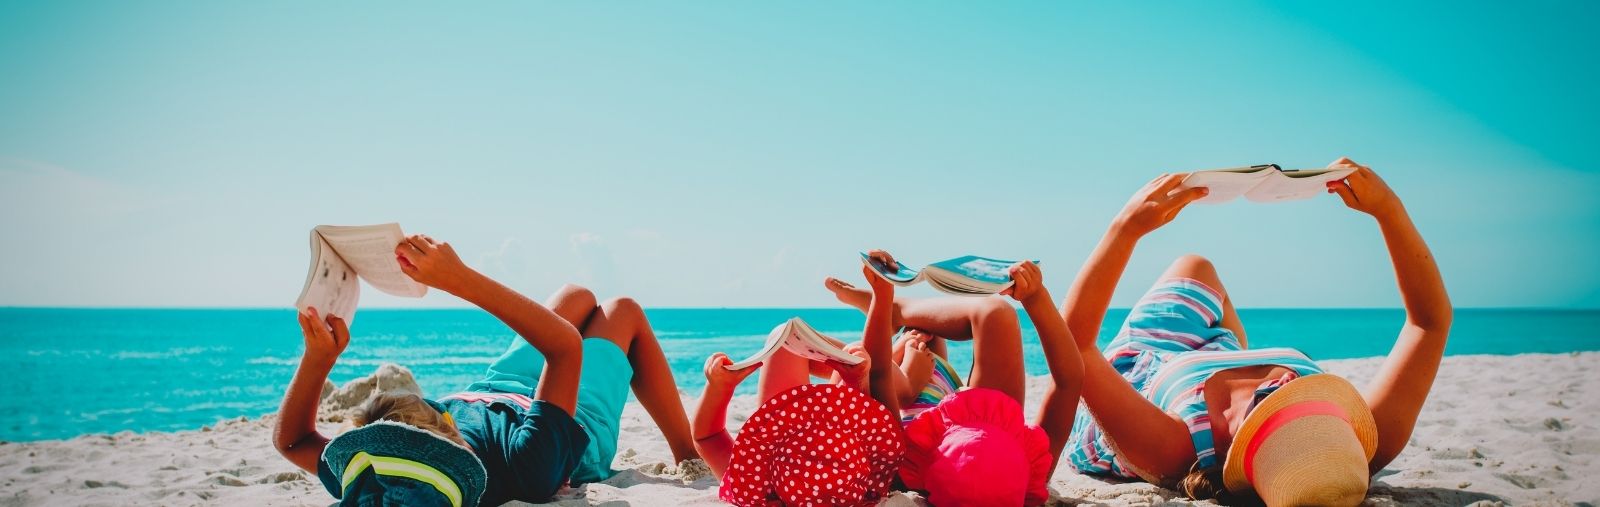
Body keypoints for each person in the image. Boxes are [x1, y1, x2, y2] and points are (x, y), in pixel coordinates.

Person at [1060, 159, 1453, 506]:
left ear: (1246, 447)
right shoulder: (1358, 447)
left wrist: (1125, 229)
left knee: (1192, 266)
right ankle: (1228, 353)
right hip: (1207, 355)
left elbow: (1074, 345)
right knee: (1197, 266)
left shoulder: (1176, 448)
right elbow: (1429, 323)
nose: (1285, 378)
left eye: (1273, 401)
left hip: (1137, 378)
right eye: (1312, 401)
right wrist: (1388, 212)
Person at [273, 234, 699, 506]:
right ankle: (690, 455)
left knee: (576, 295)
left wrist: (318, 358)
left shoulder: (374, 475)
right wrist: (459, 280)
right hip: (567, 419)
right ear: (441, 425)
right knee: (621, 311)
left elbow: (292, 442)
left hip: (498, 388)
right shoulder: (526, 466)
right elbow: (564, 349)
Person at [826, 251, 1086, 507]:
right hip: (968, 413)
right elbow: (1070, 379)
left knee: (855, 362)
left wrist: (881, 298)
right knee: (996, 312)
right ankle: (900, 312)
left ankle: (897, 311)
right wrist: (1036, 297)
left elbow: (878, 370)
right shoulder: (1028, 474)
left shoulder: (902, 466)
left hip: (914, 405)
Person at [693, 311, 905, 506]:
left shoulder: (755, 489)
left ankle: (896, 354)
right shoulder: (762, 486)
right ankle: (901, 361)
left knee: (785, 338)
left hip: (839, 432)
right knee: (855, 351)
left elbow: (707, 437)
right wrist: (857, 381)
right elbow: (708, 438)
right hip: (840, 434)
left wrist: (718, 387)